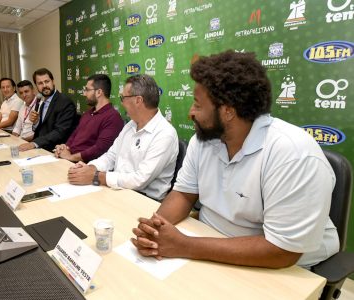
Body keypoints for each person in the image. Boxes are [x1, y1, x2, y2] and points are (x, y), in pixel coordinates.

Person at [131, 50, 339, 269]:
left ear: (228, 111)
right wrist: (155, 230)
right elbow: (183, 194)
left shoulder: (293, 154)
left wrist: (185, 246)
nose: (191, 112)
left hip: (277, 265)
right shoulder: (203, 141)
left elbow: (282, 251)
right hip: (209, 246)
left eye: (198, 105)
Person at [68, 74, 178, 201]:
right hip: (118, 190)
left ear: (138, 100)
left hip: (144, 200)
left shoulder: (165, 134)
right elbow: (111, 156)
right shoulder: (130, 125)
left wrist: (96, 176)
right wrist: (90, 168)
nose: (121, 103)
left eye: (123, 98)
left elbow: (139, 180)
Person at [54, 74, 124, 162]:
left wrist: (71, 157)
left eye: (87, 90)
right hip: (68, 160)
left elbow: (100, 149)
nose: (84, 93)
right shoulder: (87, 114)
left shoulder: (113, 118)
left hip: (84, 167)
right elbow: (74, 135)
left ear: (99, 92)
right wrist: (64, 148)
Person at [18, 68, 77, 152]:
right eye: (40, 83)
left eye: (47, 81)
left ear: (53, 81)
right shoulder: (43, 102)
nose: (44, 85)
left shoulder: (64, 102)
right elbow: (43, 129)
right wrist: (36, 122)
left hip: (57, 150)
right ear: (36, 86)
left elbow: (59, 132)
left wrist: (34, 144)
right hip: (42, 147)